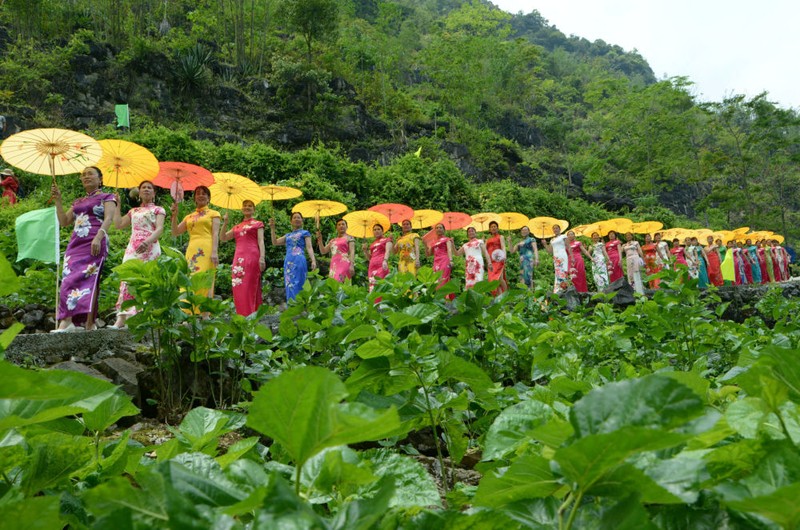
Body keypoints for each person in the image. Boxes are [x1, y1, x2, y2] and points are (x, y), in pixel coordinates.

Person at [51, 166, 116, 332]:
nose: (86, 177)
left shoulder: (107, 197)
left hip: (94, 239)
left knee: (91, 281)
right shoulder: (78, 202)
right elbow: (64, 221)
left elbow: (109, 218)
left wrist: (99, 237)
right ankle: (69, 321)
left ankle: (87, 323)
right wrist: (58, 200)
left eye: (90, 174)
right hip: (75, 244)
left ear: (100, 179)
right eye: (83, 175)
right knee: (68, 278)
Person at [112, 180, 165, 328]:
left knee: (146, 280)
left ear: (154, 193)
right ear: (139, 192)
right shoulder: (133, 211)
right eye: (143, 188)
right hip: (133, 248)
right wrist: (118, 205)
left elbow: (159, 229)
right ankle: (121, 318)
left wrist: (147, 242)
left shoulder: (158, 210)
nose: (146, 190)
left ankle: (143, 317)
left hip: (150, 247)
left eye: (150, 188)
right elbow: (118, 225)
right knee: (126, 280)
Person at [170, 185, 221, 299]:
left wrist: (214, 252)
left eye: (204, 193)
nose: (201, 195)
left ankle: (204, 312)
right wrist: (174, 215)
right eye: (198, 193)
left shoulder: (214, 214)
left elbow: (215, 234)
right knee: (190, 276)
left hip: (207, 249)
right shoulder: (189, 216)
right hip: (192, 249)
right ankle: (188, 309)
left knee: (204, 277)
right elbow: (175, 232)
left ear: (208, 198)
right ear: (194, 198)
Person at [221, 200, 265, 316]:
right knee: (238, 286)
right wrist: (225, 223)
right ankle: (242, 315)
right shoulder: (237, 227)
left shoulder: (258, 224)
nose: (247, 207)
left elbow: (261, 241)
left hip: (252, 256)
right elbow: (223, 238)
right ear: (241, 209)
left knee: (249, 286)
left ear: (254, 209)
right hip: (238, 258)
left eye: (250, 206)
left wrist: (262, 257)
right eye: (245, 206)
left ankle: (251, 315)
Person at [270, 212, 315, 301]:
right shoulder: (288, 235)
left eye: (299, 217)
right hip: (289, 261)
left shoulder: (305, 233)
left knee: (299, 281)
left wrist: (313, 260)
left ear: (302, 221)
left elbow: (309, 247)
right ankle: (291, 305)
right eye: (294, 218)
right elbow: (274, 242)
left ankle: (301, 306)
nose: (297, 219)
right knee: (289, 282)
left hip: (299, 259)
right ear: (291, 221)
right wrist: (272, 228)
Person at [428, 223, 455, 298]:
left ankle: (444, 298)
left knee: (443, 278)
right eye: (437, 228)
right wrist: (427, 245)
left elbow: (449, 250)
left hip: (444, 260)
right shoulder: (433, 241)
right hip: (436, 262)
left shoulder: (447, 239)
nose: (438, 229)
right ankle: (442, 298)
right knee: (436, 280)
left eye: (440, 228)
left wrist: (451, 260)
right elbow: (429, 254)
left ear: (444, 230)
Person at [364, 224, 393, 294]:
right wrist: (365, 250)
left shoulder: (387, 239)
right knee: (373, 286)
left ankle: (381, 303)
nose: (376, 231)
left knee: (381, 284)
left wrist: (385, 260)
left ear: (382, 231)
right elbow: (370, 258)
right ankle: (374, 304)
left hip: (382, 265)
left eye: (378, 229)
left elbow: (388, 251)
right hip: (372, 267)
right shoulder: (372, 244)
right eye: (374, 230)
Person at [510, 225, 539, 290]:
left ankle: (530, 294)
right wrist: (510, 242)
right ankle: (523, 295)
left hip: (529, 260)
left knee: (528, 277)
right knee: (522, 277)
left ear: (529, 232)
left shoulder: (531, 239)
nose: (524, 231)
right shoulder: (519, 242)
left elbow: (535, 249)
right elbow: (512, 251)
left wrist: (537, 259)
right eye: (522, 230)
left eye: (526, 230)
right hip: (522, 262)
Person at [543, 224, 569, 293]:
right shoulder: (552, 240)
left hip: (563, 256)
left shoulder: (564, 236)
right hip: (556, 257)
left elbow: (568, 247)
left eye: (556, 228)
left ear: (560, 229)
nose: (555, 230)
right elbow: (550, 251)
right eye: (554, 229)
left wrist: (572, 257)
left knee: (563, 271)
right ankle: (558, 289)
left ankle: (564, 288)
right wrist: (545, 244)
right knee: (558, 273)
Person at [485, 221, 508, 295]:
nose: (493, 228)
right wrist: (482, 242)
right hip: (491, 262)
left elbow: (503, 247)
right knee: (493, 281)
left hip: (499, 260)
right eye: (491, 227)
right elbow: (484, 250)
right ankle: (499, 297)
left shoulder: (501, 237)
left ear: (497, 228)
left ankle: (507, 294)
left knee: (500, 278)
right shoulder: (487, 240)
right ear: (489, 229)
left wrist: (504, 256)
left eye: (495, 226)